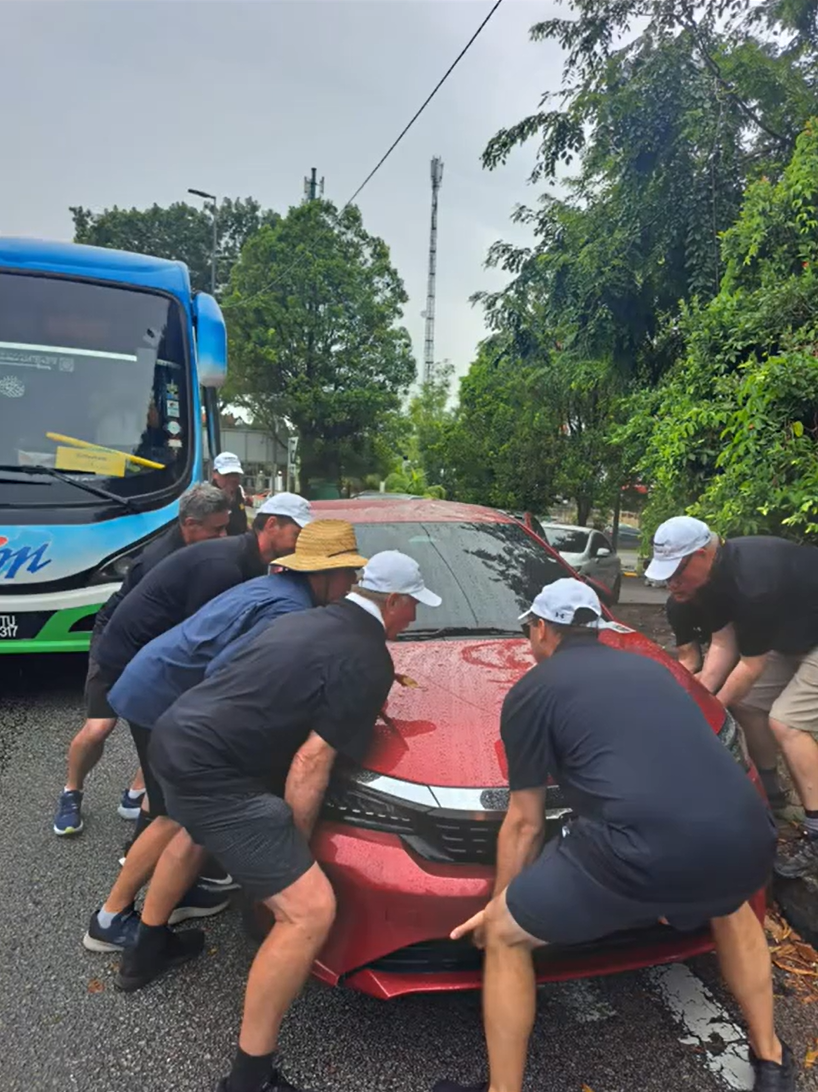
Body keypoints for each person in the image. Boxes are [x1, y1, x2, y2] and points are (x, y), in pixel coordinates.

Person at [436, 578, 792, 1092]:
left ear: (540, 630)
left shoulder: (533, 690)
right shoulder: (653, 670)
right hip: (747, 835)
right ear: (597, 630)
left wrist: (499, 904)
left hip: (639, 849)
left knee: (506, 935)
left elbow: (525, 821)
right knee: (730, 904)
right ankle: (773, 1062)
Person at [125, 552, 440, 1092]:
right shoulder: (368, 658)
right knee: (309, 910)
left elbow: (228, 672)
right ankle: (251, 1077)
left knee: (191, 828)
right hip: (217, 772)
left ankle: (144, 951)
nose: (414, 616)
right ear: (392, 601)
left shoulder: (304, 618)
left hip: (176, 736)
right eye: (413, 605)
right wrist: (291, 857)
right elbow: (311, 763)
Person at [82, 520, 368, 956]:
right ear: (322, 574)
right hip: (163, 697)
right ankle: (110, 918)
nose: (352, 583)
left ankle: (175, 896)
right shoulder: (288, 611)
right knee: (173, 815)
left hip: (161, 685)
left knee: (180, 811)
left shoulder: (281, 589)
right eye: (348, 573)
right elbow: (226, 673)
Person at [53, 483, 231, 837]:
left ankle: (137, 791)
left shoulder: (206, 550)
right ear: (190, 525)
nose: (224, 536)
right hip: (116, 639)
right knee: (100, 726)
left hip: (157, 647)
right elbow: (132, 621)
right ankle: (71, 791)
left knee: (163, 723)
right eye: (217, 530)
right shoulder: (157, 560)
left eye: (226, 528)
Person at [647, 516, 818, 879]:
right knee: (749, 704)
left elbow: (751, 666)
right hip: (793, 636)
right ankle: (772, 793)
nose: (672, 583)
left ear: (702, 554)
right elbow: (722, 649)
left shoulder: (753, 582)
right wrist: (692, 707)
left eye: (678, 571)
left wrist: (706, 719)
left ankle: (817, 835)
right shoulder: (713, 583)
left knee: (788, 721)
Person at [666, 587, 790, 814]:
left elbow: (748, 658)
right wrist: (677, 690)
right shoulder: (677, 606)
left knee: (745, 705)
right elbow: (689, 658)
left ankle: (769, 785)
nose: (671, 585)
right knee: (692, 703)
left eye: (678, 576)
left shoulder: (735, 598)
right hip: (719, 662)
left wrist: (713, 699)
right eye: (667, 579)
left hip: (756, 654)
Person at [212, 452, 248, 536]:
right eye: (227, 475)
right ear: (215, 474)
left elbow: (241, 521)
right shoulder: (209, 499)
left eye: (236, 474)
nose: (233, 479)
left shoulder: (238, 492)